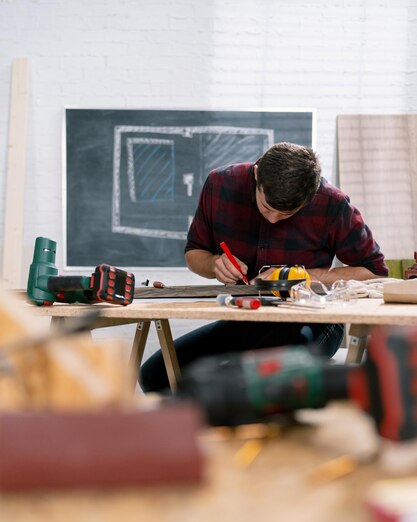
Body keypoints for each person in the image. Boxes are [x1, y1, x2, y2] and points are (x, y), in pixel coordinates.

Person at [140, 142, 388, 392]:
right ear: (257, 174)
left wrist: (299, 276)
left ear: (311, 197)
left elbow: (375, 270)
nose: (272, 219)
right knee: (155, 376)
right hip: (245, 318)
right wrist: (214, 264)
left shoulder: (332, 203)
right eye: (267, 207)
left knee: (247, 381)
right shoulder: (220, 184)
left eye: (287, 214)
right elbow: (194, 253)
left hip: (313, 320)